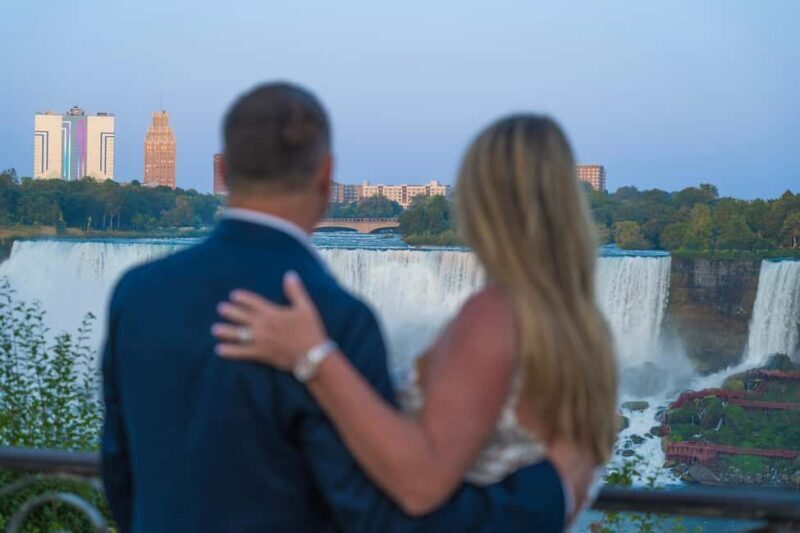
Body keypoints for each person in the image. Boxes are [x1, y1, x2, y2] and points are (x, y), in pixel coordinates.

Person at [102, 82, 576, 532]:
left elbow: (120, 473)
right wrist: (548, 492)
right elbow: (372, 515)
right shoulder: (334, 317)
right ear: (327, 175)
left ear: (223, 171)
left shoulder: (137, 293)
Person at [213, 114, 619, 528]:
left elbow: (419, 486)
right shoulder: (580, 322)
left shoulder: (495, 315)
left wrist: (313, 356)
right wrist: (555, 494)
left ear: (482, 202)